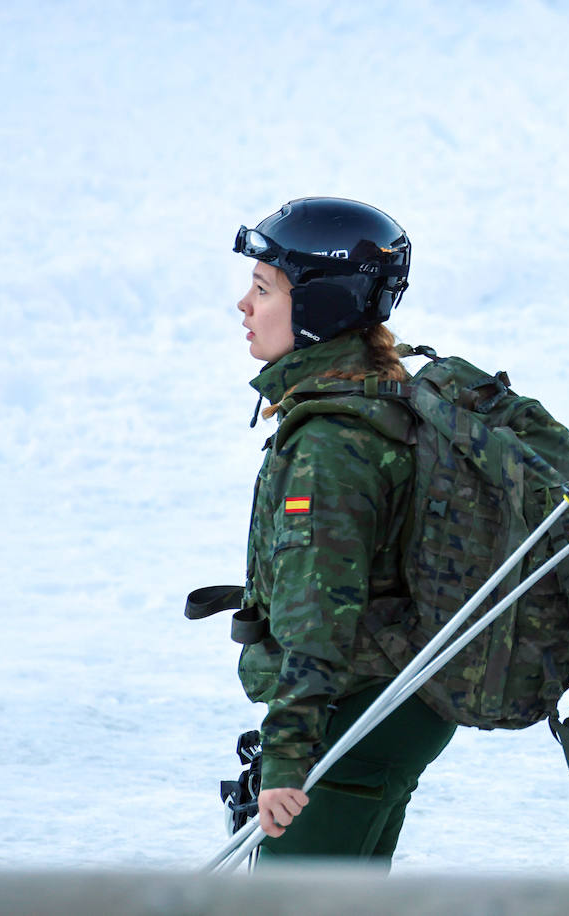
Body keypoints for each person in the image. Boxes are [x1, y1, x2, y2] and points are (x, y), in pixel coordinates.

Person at [230, 197, 456, 865]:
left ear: (321, 308)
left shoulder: (329, 443)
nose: (244, 305)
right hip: (392, 708)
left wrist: (287, 758)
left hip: (352, 716)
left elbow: (316, 618)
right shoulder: (377, 395)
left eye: (264, 288)